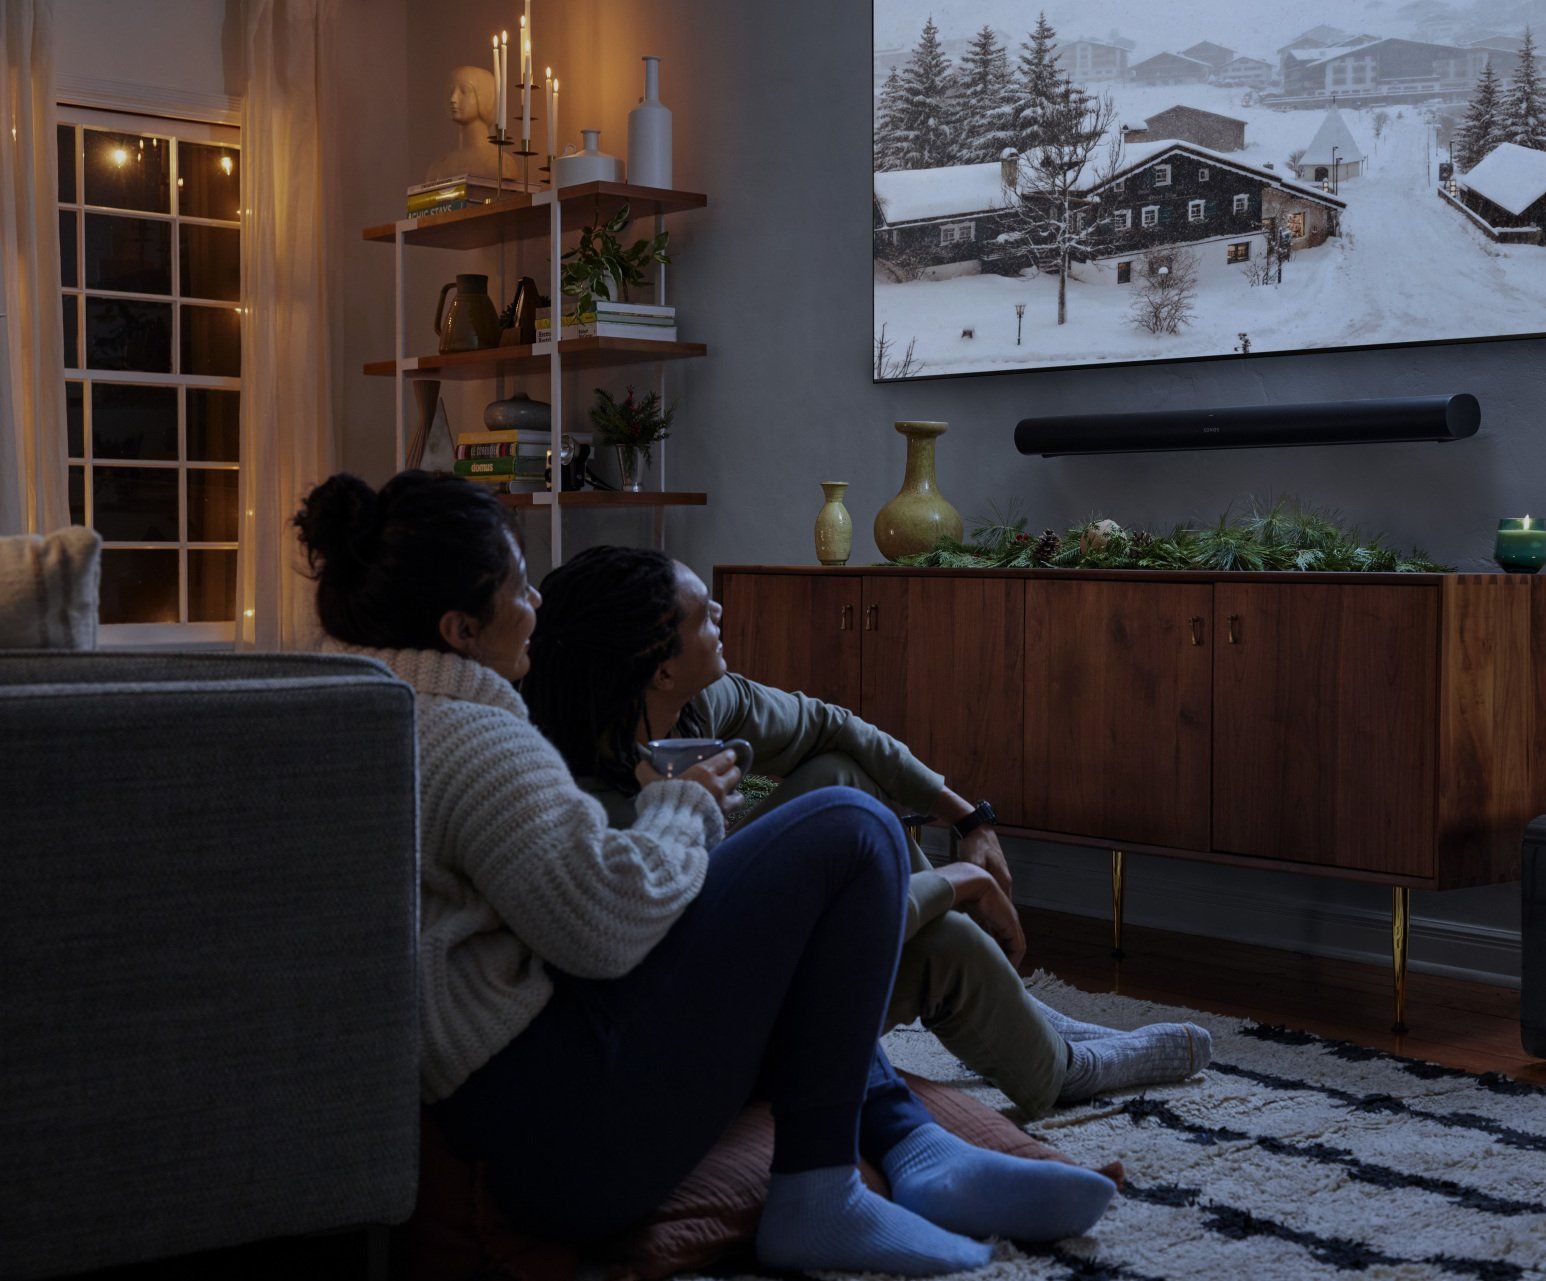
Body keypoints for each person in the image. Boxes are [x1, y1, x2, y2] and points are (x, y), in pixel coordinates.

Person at [293, 471, 1115, 1275]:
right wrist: (683, 809)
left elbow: (820, 731)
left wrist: (962, 822)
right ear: (460, 627)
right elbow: (604, 931)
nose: (535, 603)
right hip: (561, 1131)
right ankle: (824, 1191)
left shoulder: (357, 713)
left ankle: (910, 1140)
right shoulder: (473, 742)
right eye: (516, 587)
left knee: (833, 817)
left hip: (518, 1103)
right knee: (853, 825)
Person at [519, 545, 1213, 1116]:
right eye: (704, 614)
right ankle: (1063, 1068)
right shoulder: (574, 799)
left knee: (837, 776)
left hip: (749, 943)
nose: (722, 612)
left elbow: (831, 726)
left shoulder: (698, 705)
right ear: (660, 665)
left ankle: (1031, 1024)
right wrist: (955, 881)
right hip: (702, 1008)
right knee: (945, 941)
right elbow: (737, 943)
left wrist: (968, 819)